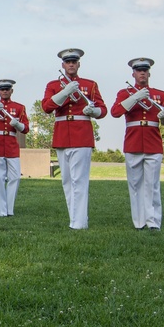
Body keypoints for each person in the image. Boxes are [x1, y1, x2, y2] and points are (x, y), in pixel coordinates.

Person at [42, 49, 107, 230]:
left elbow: (103, 109)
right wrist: (64, 93)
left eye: (74, 61)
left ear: (79, 64)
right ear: (63, 65)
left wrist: (93, 111)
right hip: (62, 134)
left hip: (82, 134)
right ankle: (76, 218)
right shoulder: (54, 85)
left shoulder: (89, 84)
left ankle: (78, 223)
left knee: (79, 180)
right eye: (68, 62)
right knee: (67, 181)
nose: (71, 64)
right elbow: (46, 107)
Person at [110, 58, 164, 230]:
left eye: (145, 71)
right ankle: (139, 221)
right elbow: (115, 112)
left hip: (153, 142)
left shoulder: (160, 95)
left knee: (152, 185)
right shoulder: (125, 93)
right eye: (139, 71)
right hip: (133, 141)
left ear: (149, 73)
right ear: (133, 74)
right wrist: (134, 98)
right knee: (135, 184)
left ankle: (153, 221)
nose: (142, 73)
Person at [0, 80, 30, 217]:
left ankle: (9, 208)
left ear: (11, 91)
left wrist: (19, 125)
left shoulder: (19, 107)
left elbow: (26, 128)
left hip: (11, 144)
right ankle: (1, 210)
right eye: (2, 89)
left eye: (7, 89)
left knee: (15, 177)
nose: (4, 91)